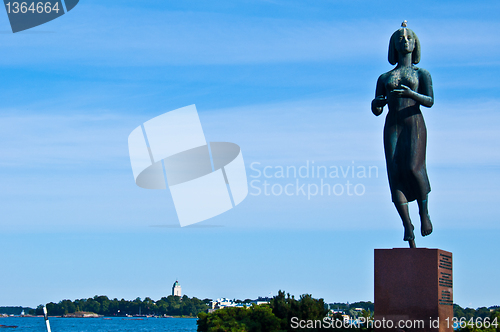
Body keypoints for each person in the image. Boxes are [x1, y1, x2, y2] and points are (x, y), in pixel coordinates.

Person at [371, 21, 434, 248]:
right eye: (400, 38)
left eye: (409, 38)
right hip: (392, 125)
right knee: (395, 174)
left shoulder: (421, 74)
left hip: (413, 122)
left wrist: (411, 94)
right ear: (393, 45)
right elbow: (376, 109)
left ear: (415, 44)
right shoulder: (384, 77)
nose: (404, 41)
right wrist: (377, 103)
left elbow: (430, 101)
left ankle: (423, 213)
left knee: (413, 167)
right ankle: (407, 224)